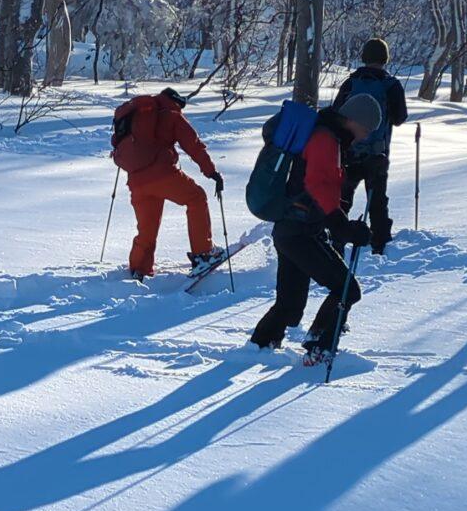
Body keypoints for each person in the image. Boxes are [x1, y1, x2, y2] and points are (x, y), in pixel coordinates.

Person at [249, 91, 379, 357]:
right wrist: (341, 226)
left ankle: (258, 346)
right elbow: (318, 184)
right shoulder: (325, 139)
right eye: (366, 129)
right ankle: (319, 347)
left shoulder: (329, 135)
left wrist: (360, 167)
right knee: (347, 290)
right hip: (300, 232)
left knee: (290, 304)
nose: (366, 135)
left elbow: (322, 174)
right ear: (353, 121)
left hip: (291, 230)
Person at [110, 87, 224, 279]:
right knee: (196, 198)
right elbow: (193, 145)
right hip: (163, 175)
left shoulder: (138, 115)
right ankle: (203, 254)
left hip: (137, 182)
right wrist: (211, 172)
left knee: (147, 228)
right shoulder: (172, 115)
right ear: (176, 102)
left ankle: (139, 269)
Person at [330, 37, 409, 251]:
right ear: (385, 59)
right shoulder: (391, 85)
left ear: (364, 57)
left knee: (342, 199)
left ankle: (336, 242)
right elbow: (401, 117)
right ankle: (380, 245)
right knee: (377, 202)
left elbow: (337, 113)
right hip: (377, 154)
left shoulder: (351, 82)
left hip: (349, 152)